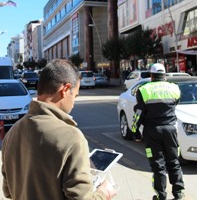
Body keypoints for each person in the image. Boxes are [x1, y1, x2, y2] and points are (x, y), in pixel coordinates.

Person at [1, 59, 117, 200]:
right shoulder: (72, 138)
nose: (73, 103)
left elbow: (8, 191)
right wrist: (104, 193)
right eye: (75, 96)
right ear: (65, 90)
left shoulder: (12, 132)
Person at [132, 63, 185, 200]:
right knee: (174, 162)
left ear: (151, 75)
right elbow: (175, 104)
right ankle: (179, 194)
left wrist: (135, 130)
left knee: (158, 165)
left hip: (152, 131)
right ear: (165, 75)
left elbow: (138, 113)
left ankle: (161, 195)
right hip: (171, 129)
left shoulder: (143, 90)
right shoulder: (174, 88)